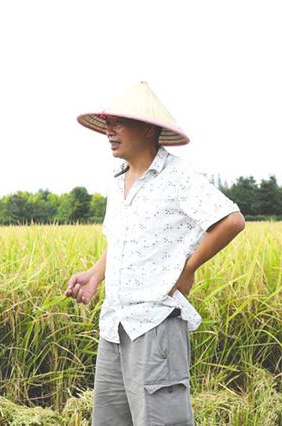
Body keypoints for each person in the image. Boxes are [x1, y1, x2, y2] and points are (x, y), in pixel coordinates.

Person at [65, 81, 245, 425]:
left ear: (148, 129)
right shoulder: (118, 180)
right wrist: (95, 274)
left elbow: (231, 220)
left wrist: (187, 268)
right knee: (109, 420)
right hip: (115, 324)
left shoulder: (177, 176)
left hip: (156, 323)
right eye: (107, 124)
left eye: (119, 123)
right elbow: (120, 238)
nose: (109, 132)